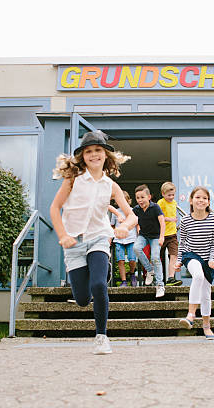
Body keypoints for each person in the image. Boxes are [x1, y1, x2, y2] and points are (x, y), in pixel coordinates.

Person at [50, 130, 137, 355]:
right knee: (81, 299)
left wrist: (124, 227)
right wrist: (63, 236)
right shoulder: (73, 180)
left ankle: (101, 337)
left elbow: (132, 216)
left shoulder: (111, 186)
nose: (94, 155)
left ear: (106, 155)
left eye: (98, 150)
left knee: (99, 285)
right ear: (83, 156)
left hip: (99, 237)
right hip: (74, 244)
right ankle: (92, 279)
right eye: (89, 151)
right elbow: (54, 208)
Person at [176, 186, 214, 340]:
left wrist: (213, 259)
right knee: (198, 276)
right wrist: (179, 260)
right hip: (191, 255)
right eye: (198, 197)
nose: (201, 200)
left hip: (207, 259)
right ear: (191, 200)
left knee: (206, 294)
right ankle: (191, 315)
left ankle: (206, 326)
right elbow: (182, 243)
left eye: (205, 198)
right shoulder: (186, 220)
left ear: (208, 202)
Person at [132, 184, 166, 297]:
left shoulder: (155, 207)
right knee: (136, 248)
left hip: (156, 237)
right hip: (143, 235)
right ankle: (149, 270)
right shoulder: (136, 209)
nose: (140, 200)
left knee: (155, 257)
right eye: (138, 198)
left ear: (149, 197)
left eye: (142, 197)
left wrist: (162, 237)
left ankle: (160, 285)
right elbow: (131, 219)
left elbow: (162, 222)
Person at [110, 191, 138, 287]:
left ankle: (132, 273)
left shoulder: (133, 210)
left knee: (132, 259)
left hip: (131, 238)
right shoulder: (115, 213)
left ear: (128, 201)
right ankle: (124, 281)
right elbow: (112, 225)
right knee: (120, 261)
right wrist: (115, 232)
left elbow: (136, 223)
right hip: (119, 240)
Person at [158, 181, 183, 286]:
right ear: (163, 194)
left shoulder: (174, 203)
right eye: (169, 195)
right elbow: (158, 216)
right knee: (157, 256)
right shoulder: (161, 202)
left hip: (172, 234)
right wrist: (170, 219)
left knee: (174, 255)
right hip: (161, 235)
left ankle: (171, 278)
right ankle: (156, 277)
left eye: (173, 195)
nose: (171, 197)